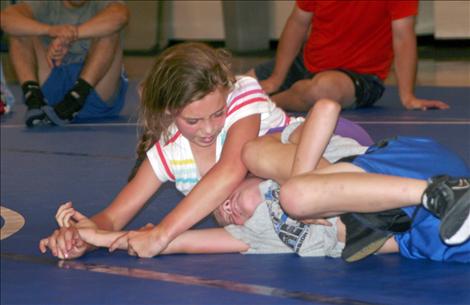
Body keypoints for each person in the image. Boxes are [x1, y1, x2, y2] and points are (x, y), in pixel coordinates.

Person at [37, 42, 296, 260]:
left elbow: (229, 171)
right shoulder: (171, 151)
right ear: (170, 111)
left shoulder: (240, 93)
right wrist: (84, 236)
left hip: (320, 163)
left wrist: (162, 234)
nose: (208, 129)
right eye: (193, 121)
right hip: (281, 227)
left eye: (218, 114)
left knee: (252, 193)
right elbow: (114, 217)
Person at [247, 0, 449, 112]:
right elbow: (298, 23)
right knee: (240, 86)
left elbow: (403, 36)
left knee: (322, 89)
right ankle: (273, 97)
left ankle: (267, 105)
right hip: (307, 62)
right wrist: (277, 77)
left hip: (360, 77)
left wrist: (408, 96)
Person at [0, 0, 129, 127]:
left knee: (110, 30)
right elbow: (6, 18)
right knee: (18, 29)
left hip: (96, 90)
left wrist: (69, 36)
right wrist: (51, 30)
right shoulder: (44, 3)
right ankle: (34, 100)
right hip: (52, 84)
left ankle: (76, 98)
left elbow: (120, 15)